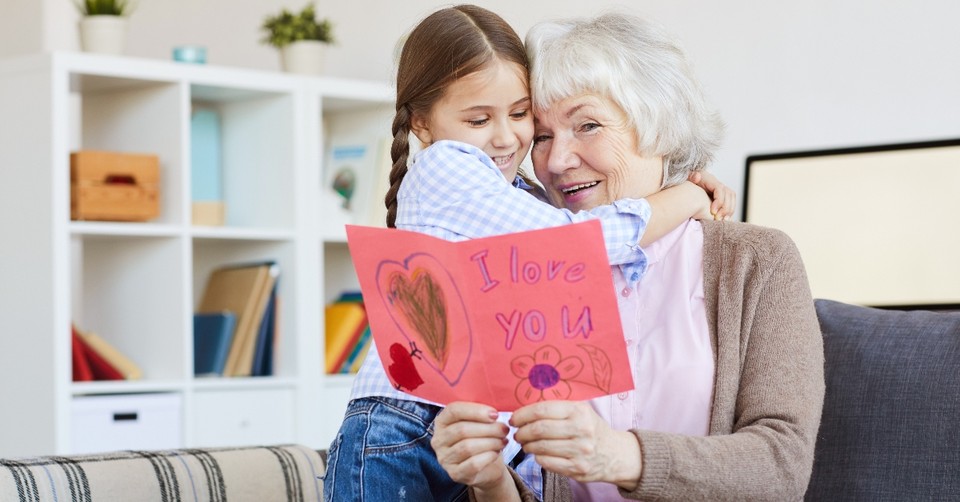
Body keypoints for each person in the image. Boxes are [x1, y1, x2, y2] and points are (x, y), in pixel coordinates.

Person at [322, 5, 735, 501]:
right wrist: (684, 197)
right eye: (479, 119)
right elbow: (576, 242)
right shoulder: (446, 169)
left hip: (465, 433)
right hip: (404, 427)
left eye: (520, 115)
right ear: (422, 124)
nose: (505, 136)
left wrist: (680, 182)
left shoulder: (513, 192)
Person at [430, 11, 825, 502]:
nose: (556, 161)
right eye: (544, 136)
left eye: (588, 125)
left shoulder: (756, 261)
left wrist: (616, 455)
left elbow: (780, 467)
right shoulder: (524, 267)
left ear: (659, 123)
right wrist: (489, 480)